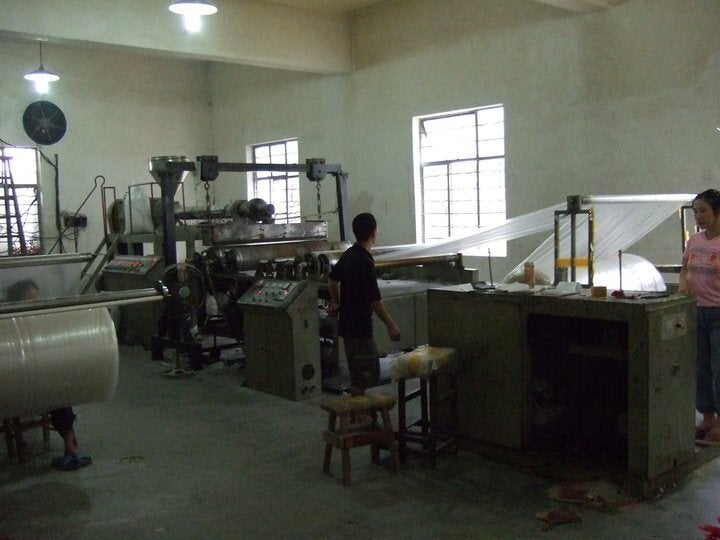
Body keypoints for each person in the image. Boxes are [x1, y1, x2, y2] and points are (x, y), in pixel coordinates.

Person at [5, 278, 92, 470]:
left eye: (36, 300)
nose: (34, 305)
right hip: (18, 380)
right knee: (56, 396)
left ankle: (70, 447)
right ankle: (70, 448)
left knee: (60, 396)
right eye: (29, 300)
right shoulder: (9, 325)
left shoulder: (40, 321)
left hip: (40, 376)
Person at [328, 213, 401, 398]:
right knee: (368, 376)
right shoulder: (365, 261)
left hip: (347, 324)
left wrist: (337, 302)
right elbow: (374, 300)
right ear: (373, 233)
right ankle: (361, 411)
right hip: (360, 328)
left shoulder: (349, 254)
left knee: (357, 374)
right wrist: (391, 325)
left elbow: (332, 280)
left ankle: (358, 410)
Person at [679, 189, 720, 444]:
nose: (698, 216)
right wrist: (684, 285)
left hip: (718, 312)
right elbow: (685, 269)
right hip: (697, 310)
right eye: (695, 212)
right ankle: (707, 417)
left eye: (703, 211)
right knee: (701, 368)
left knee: (719, 368)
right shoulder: (694, 240)